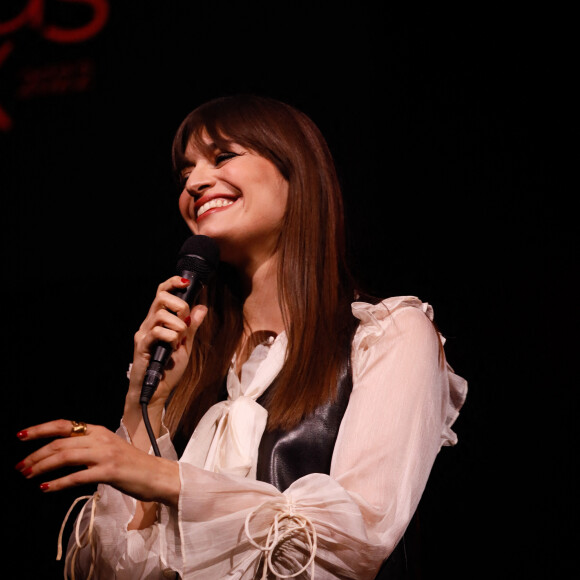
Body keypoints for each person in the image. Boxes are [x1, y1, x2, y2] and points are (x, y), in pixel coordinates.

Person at [15, 94, 467, 579]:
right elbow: (110, 569)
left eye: (223, 156)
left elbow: (354, 539)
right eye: (184, 173)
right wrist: (140, 407)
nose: (194, 182)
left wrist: (167, 480)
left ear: (296, 173)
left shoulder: (387, 335)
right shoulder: (195, 365)